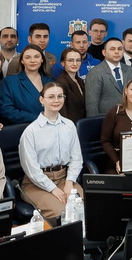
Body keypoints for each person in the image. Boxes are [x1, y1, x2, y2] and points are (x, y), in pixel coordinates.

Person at [18, 82, 84, 222]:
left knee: (82, 206)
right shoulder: (31, 131)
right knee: (61, 211)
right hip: (36, 183)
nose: (56, 100)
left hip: (63, 178)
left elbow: (76, 158)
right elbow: (31, 169)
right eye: (51, 97)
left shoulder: (69, 125)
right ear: (42, 100)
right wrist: (53, 189)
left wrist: (69, 183)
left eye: (60, 96)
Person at [0, 44, 52, 124]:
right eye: (28, 57)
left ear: (42, 59)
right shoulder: (10, 82)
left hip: (49, 127)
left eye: (36, 57)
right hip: (22, 128)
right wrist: (38, 118)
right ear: (22, 61)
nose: (32, 60)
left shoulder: (50, 82)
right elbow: (6, 110)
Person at [85, 37, 127, 117]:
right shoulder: (95, 73)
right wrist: (93, 122)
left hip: (127, 118)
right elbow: (91, 105)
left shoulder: (129, 70)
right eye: (112, 49)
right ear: (104, 52)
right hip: (105, 119)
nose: (117, 52)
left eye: (120, 49)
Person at [54, 47, 87, 122]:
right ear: (62, 63)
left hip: (81, 123)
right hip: (69, 125)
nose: (75, 64)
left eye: (78, 60)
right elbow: (61, 111)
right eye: (70, 60)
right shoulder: (61, 83)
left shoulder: (80, 81)